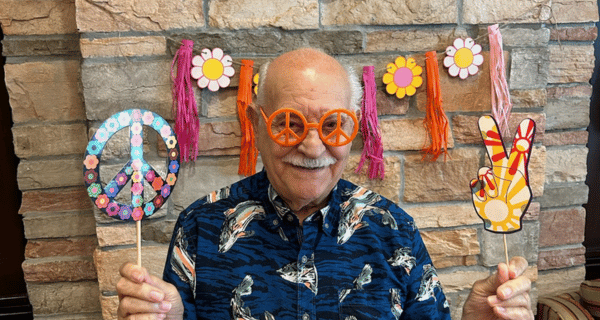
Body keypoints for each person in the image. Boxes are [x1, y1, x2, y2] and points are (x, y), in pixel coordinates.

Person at [116, 48, 533, 320]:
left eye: (333, 125)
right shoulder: (200, 226)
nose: (313, 146)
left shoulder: (393, 229)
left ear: (353, 131)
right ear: (257, 127)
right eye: (287, 124)